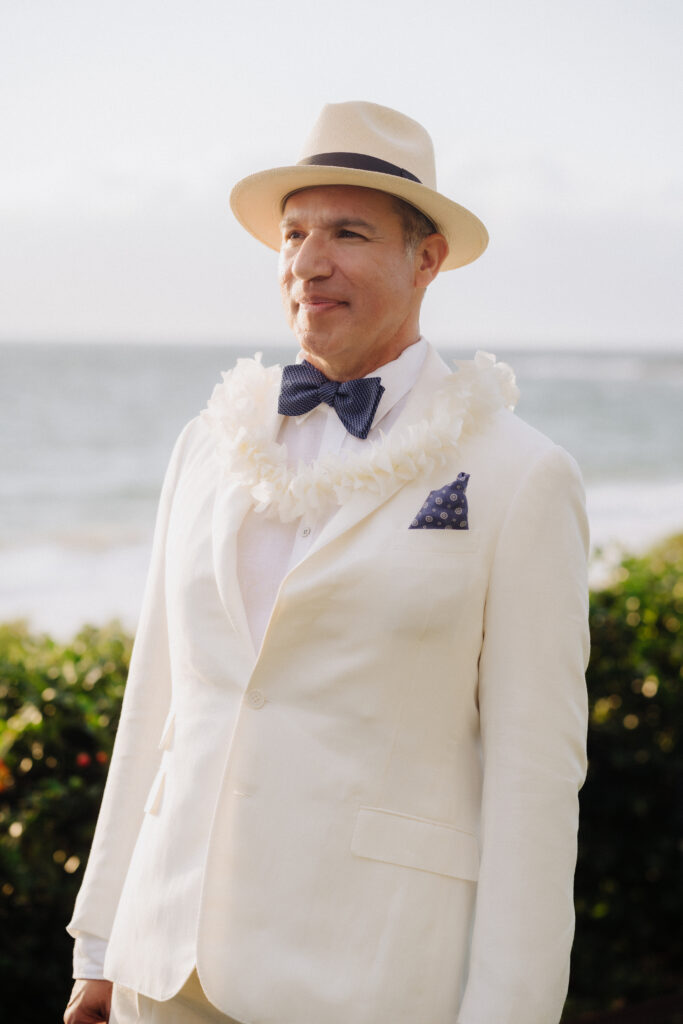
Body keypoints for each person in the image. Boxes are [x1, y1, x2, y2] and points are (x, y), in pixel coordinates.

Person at [64, 101, 589, 1024]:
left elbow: (534, 784)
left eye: (347, 233)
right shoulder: (206, 443)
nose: (310, 262)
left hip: (366, 981)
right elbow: (158, 698)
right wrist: (101, 946)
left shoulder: (522, 476)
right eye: (295, 233)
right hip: (162, 968)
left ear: (426, 259)